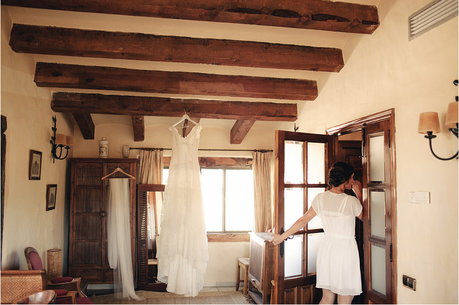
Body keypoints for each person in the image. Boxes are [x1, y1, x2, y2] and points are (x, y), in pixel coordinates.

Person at [270, 162, 363, 304]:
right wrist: (360, 194)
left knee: (327, 298)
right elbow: (367, 220)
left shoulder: (320, 198)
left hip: (327, 249)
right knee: (345, 298)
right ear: (345, 179)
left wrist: (283, 236)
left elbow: (304, 219)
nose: (353, 181)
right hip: (345, 250)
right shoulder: (351, 201)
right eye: (351, 178)